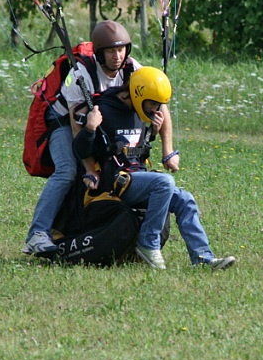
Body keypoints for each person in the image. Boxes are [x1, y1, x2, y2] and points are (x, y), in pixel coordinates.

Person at [23, 21, 179, 254]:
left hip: (98, 121)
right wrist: (89, 169)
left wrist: (168, 151)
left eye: (121, 50)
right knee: (68, 171)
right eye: (111, 51)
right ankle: (38, 233)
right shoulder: (81, 74)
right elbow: (77, 126)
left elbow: (160, 104)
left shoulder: (133, 69)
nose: (117, 56)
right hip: (64, 122)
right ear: (99, 53)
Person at [73, 66, 237, 270]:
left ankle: (203, 258)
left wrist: (152, 133)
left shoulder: (141, 112)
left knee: (185, 199)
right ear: (137, 94)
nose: (155, 109)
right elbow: (80, 150)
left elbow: (133, 151)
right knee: (164, 182)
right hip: (115, 182)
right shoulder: (103, 111)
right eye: (152, 103)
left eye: (159, 105)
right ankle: (148, 244)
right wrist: (90, 128)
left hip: (137, 179)